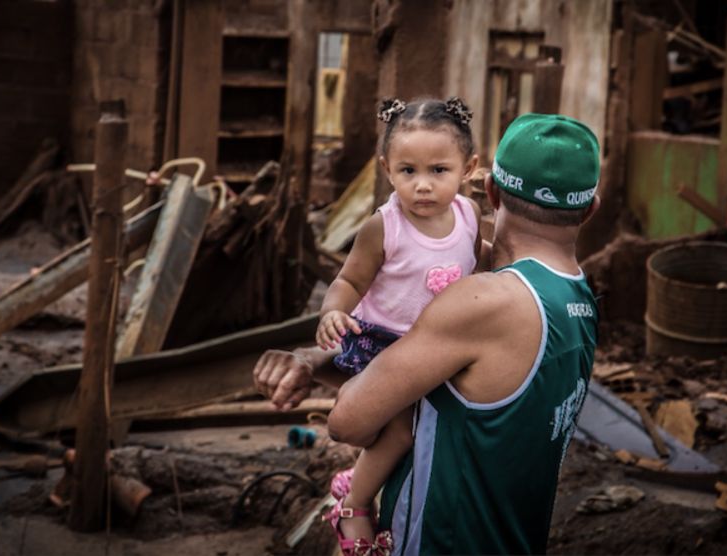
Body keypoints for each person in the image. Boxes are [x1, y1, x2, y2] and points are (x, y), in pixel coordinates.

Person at [254, 113, 601, 554]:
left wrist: (327, 362)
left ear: (489, 190)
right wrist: (312, 361)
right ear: (591, 209)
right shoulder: (579, 299)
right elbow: (430, 381)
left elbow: (348, 421)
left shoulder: (481, 304)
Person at [315, 96, 483, 555]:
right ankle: (354, 503)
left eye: (438, 171)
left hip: (437, 346)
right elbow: (349, 279)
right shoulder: (383, 227)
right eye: (408, 171)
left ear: (468, 168)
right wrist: (334, 310)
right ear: (387, 168)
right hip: (382, 346)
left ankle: (371, 480)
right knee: (404, 431)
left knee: (434, 427)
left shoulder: (469, 217)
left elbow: (478, 270)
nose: (423, 186)